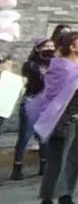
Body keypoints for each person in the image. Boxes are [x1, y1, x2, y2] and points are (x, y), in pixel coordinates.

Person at [30, 30, 78, 204]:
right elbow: (53, 95)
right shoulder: (60, 67)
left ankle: (65, 198)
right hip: (64, 118)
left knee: (74, 158)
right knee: (57, 161)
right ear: (72, 46)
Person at [9, 39, 54, 181]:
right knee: (25, 135)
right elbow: (36, 80)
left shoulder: (55, 64)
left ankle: (44, 166)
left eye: (52, 46)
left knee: (44, 136)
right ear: (38, 49)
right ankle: (17, 167)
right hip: (32, 101)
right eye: (46, 46)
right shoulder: (30, 65)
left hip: (47, 104)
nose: (50, 49)